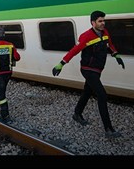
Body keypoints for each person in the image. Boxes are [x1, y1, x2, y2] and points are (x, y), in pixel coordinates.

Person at [52, 10, 125, 138]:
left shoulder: (105, 32)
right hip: (88, 69)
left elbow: (109, 44)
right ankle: (108, 129)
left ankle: (77, 114)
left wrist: (116, 54)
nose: (103, 23)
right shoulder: (86, 36)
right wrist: (61, 63)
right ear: (93, 23)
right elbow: (74, 51)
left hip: (97, 69)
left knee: (87, 92)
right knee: (102, 95)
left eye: (104, 20)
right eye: (100, 21)